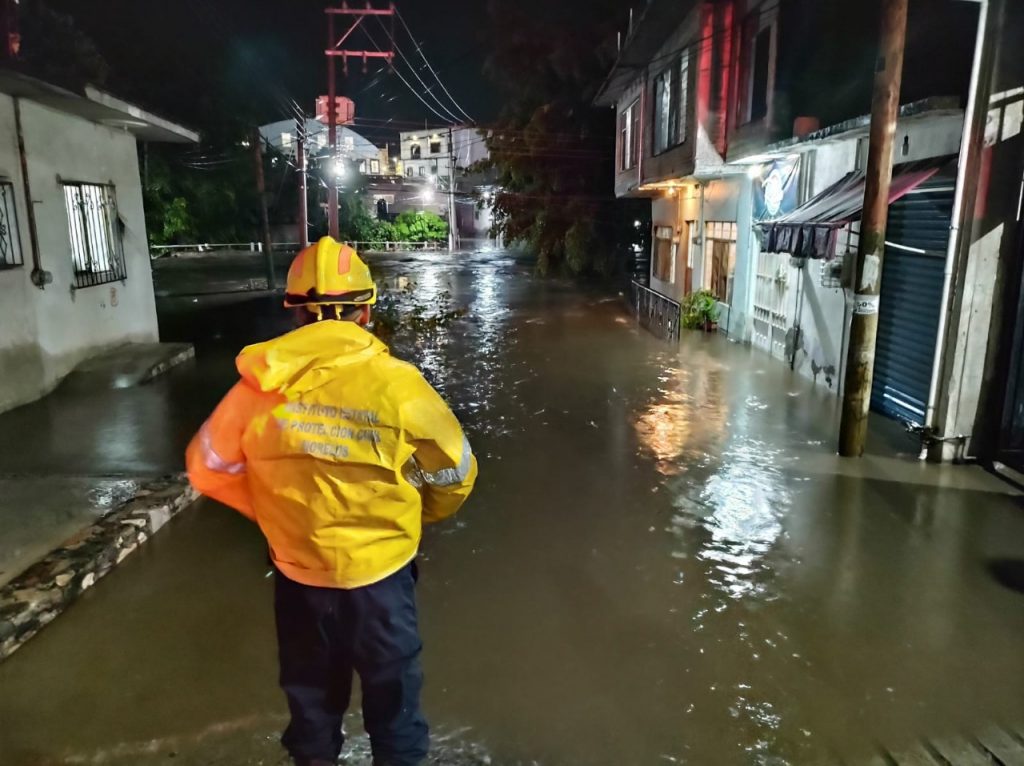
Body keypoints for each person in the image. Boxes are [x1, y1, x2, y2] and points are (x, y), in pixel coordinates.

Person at [186, 236, 478, 766]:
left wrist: (276, 517)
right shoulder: (399, 385)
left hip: (300, 580)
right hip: (383, 580)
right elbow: (456, 473)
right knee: (396, 714)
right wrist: (417, 515)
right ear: (366, 310)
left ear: (295, 314)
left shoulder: (256, 389)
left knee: (313, 712)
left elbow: (206, 467)